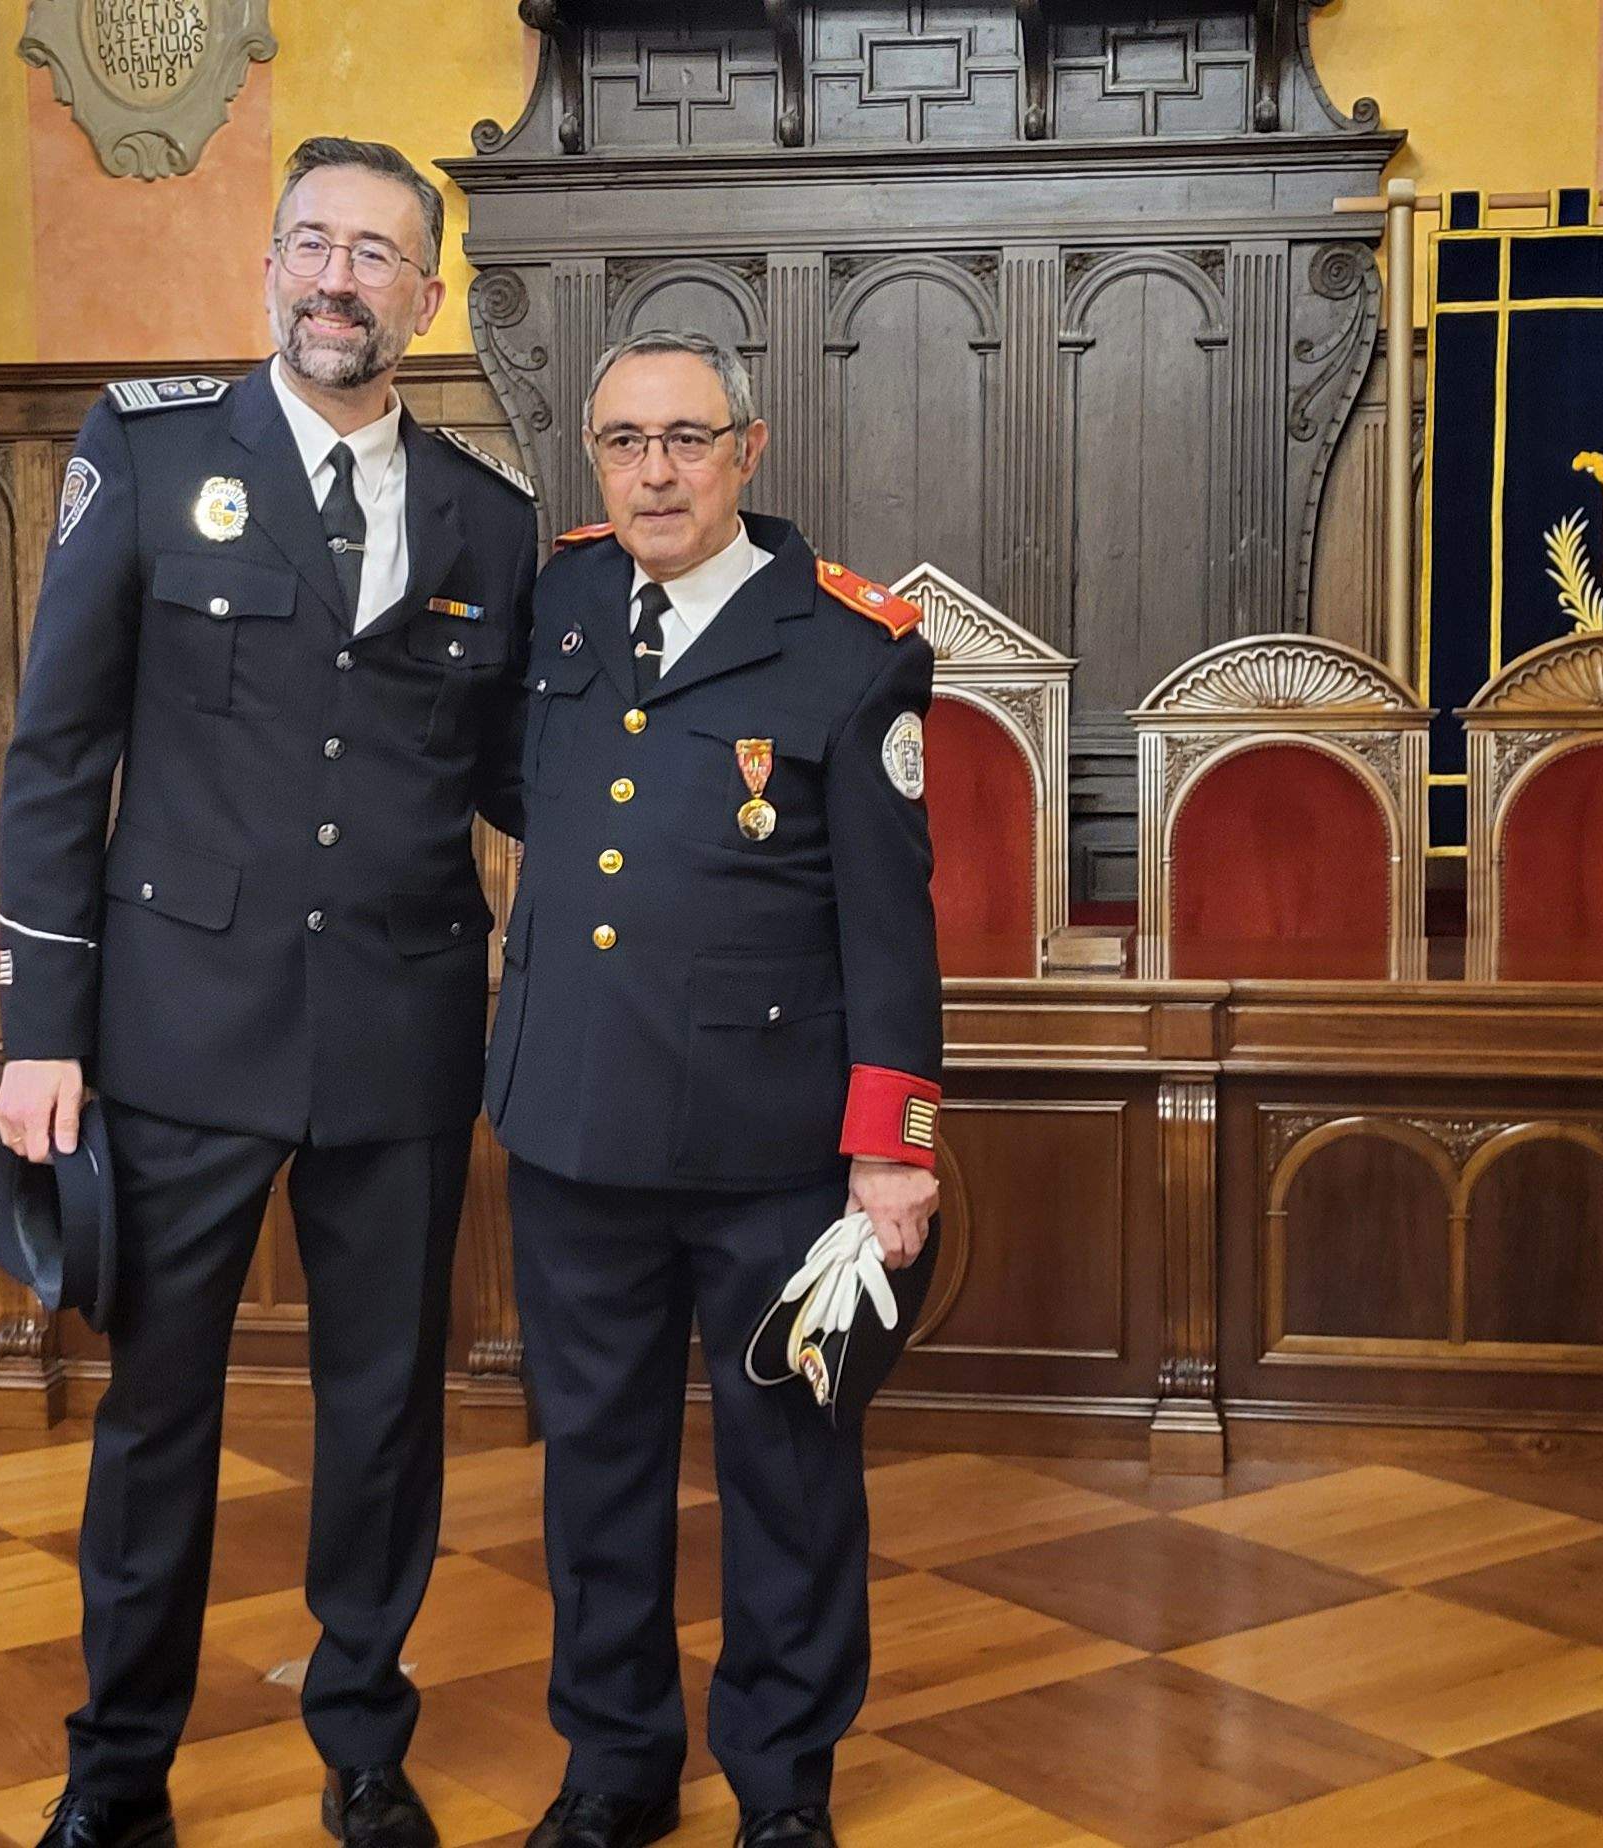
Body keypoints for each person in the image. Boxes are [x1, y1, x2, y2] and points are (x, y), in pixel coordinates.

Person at [0, 135, 536, 1848]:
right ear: (269, 263)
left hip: (399, 1027)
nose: (336, 280)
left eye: (376, 255)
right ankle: (117, 1772)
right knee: (159, 1413)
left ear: (424, 295)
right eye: (311, 244)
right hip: (178, 1027)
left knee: (384, 1412)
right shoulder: (147, 455)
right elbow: (56, 755)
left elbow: (525, 777)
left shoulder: (492, 519)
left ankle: (363, 1746)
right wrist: (40, 1034)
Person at [483, 329, 941, 1848]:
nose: (654, 471)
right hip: (573, 1133)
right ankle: (615, 1771)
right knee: (595, 1470)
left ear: (749, 448)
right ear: (595, 462)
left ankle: (780, 1786)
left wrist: (893, 1152)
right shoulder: (556, 603)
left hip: (772, 1152)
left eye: (686, 439)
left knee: (790, 1475)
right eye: (624, 442)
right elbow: (518, 791)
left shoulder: (852, 646)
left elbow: (890, 924)